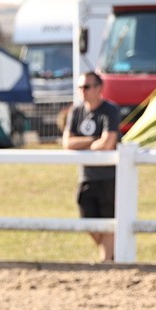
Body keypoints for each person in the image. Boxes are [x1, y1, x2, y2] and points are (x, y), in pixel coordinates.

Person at [63, 71, 121, 262]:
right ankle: (112, 256)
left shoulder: (110, 110)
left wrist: (85, 143)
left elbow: (108, 143)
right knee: (89, 222)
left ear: (99, 88)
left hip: (109, 178)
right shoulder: (76, 112)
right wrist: (93, 141)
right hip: (86, 176)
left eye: (86, 87)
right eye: (80, 87)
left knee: (108, 221)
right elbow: (67, 143)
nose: (82, 91)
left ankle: (107, 261)